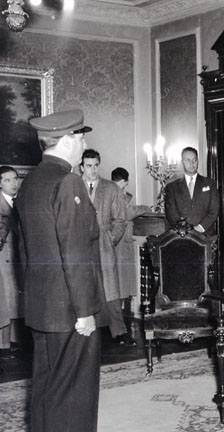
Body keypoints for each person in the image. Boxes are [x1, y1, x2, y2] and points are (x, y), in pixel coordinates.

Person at [17, 109, 106, 432]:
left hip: (42, 306)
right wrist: (85, 312)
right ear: (67, 140)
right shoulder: (69, 182)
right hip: (70, 309)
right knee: (74, 397)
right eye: (81, 138)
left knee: (48, 389)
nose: (85, 145)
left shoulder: (31, 182)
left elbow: (25, 250)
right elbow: (76, 252)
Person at [80, 150, 132, 345]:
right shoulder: (74, 186)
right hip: (80, 242)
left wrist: (112, 238)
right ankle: (85, 330)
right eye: (88, 166)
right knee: (83, 284)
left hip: (104, 241)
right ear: (81, 167)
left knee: (110, 286)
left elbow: (120, 220)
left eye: (96, 165)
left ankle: (119, 331)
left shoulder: (110, 188)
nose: (93, 170)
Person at [111, 167, 151, 315]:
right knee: (120, 284)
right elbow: (126, 213)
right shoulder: (115, 195)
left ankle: (121, 315)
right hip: (119, 244)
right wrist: (146, 208)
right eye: (125, 184)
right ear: (124, 181)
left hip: (122, 244)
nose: (125, 188)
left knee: (122, 284)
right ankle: (119, 317)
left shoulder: (113, 192)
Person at [164, 146, 219, 235]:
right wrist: (184, 230)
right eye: (188, 160)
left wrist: (200, 228)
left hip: (205, 236)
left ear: (198, 161)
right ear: (182, 162)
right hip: (180, 236)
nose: (192, 163)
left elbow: (214, 210)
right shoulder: (171, 187)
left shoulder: (210, 184)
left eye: (194, 160)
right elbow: (171, 214)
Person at [0, 166, 23, 359]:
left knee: (15, 300)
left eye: (15, 179)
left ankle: (13, 341)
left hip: (17, 258)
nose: (13, 183)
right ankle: (3, 345)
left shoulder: (21, 202)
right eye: (7, 180)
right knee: (5, 302)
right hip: (3, 259)